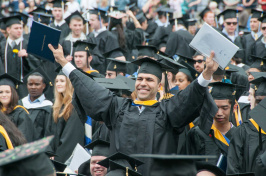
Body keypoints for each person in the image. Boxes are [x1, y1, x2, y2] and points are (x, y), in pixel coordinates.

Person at [49, 42, 218, 176]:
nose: (143, 83)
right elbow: (91, 89)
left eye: (149, 80)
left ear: (159, 85)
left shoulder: (167, 112)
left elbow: (188, 97)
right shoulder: (117, 108)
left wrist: (207, 74)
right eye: (140, 78)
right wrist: (64, 63)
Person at [184, 82, 237, 167]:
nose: (219, 113)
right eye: (215, 108)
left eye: (224, 108)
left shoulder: (240, 135)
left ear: (234, 108)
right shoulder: (197, 133)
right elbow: (188, 166)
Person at [227, 75, 266, 174]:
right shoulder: (242, 131)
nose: (262, 106)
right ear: (252, 102)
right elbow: (233, 170)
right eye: (259, 102)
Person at [49, 71, 84, 163]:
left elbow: (69, 139)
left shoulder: (74, 107)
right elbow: (49, 134)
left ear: (69, 83)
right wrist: (49, 153)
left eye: (62, 81)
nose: (58, 84)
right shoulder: (56, 107)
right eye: (56, 81)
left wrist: (57, 159)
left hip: (64, 159)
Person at [18, 69, 53, 140]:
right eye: (30, 84)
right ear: (27, 85)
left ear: (43, 86)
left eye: (37, 84)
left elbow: (49, 132)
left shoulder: (48, 107)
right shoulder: (20, 104)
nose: (33, 87)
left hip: (39, 147)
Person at [87, 8, 124, 74]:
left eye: (92, 20)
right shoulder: (90, 35)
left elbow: (111, 58)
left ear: (101, 20)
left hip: (104, 72)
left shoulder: (109, 36)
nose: (90, 22)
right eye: (90, 20)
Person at [0, 74, 35, 142]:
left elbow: (25, 138)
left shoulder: (20, 113)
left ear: (13, 94)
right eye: (0, 92)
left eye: (7, 92)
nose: (4, 95)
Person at [0, 15, 36, 80]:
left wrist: (28, 56)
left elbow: (37, 65)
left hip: (23, 85)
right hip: (5, 85)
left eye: (20, 28)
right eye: (16, 28)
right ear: (8, 30)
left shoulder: (27, 44)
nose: (19, 30)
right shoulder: (2, 46)